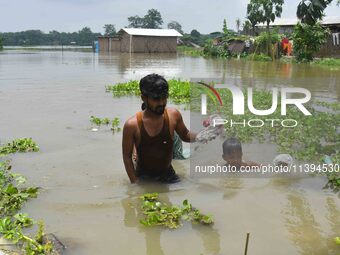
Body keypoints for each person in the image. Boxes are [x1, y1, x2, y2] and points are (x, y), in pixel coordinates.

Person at [122, 74, 197, 184]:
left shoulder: (173, 115)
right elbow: (127, 158)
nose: (161, 103)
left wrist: (204, 135)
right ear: (143, 98)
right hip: (144, 177)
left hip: (168, 175)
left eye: (164, 98)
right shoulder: (132, 125)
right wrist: (135, 183)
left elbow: (185, 135)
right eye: (156, 99)